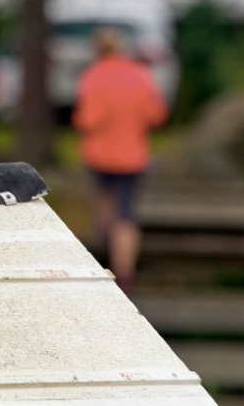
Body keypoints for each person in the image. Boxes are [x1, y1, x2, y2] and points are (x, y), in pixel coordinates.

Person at [73, 28, 167, 292]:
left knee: (105, 205)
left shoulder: (92, 77)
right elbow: (156, 115)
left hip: (101, 156)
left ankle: (105, 260)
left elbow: (87, 120)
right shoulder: (140, 75)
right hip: (132, 156)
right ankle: (125, 276)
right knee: (126, 215)